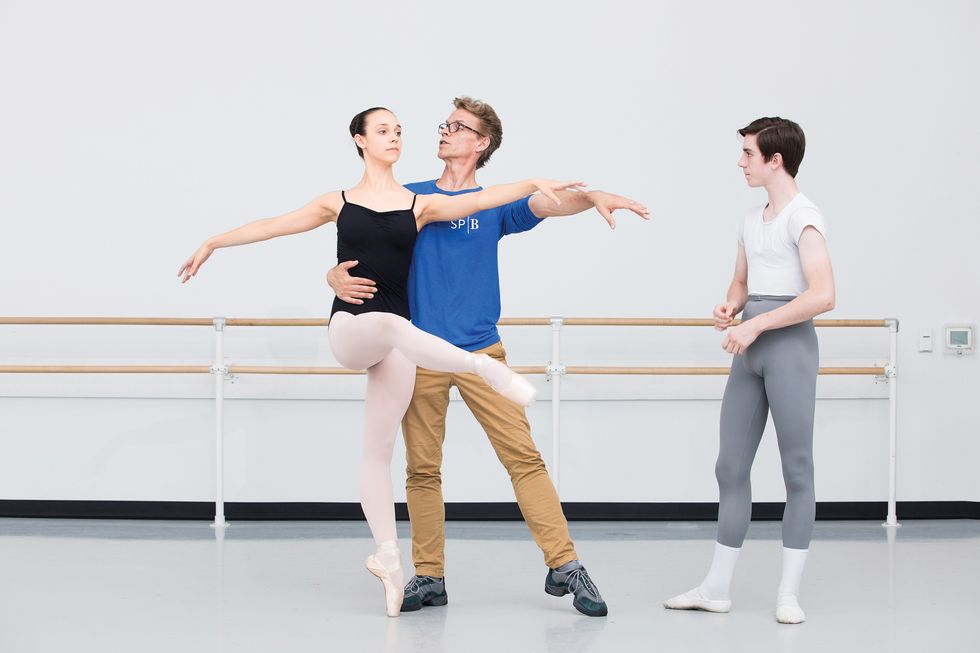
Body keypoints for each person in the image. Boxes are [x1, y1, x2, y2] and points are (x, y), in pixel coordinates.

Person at [178, 106, 583, 617]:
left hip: (439, 346)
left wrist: (557, 189)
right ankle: (429, 569)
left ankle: (517, 564)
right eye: (385, 131)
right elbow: (280, 226)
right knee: (411, 418)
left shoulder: (423, 203)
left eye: (400, 131)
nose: (400, 137)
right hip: (383, 336)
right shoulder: (366, 197)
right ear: (359, 140)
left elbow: (503, 200)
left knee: (445, 457)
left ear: (482, 143)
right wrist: (222, 244)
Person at [328, 96, 649, 617]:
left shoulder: (494, 202)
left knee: (524, 458)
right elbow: (358, 250)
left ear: (482, 144)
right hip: (420, 351)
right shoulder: (411, 198)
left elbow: (550, 202)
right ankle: (428, 577)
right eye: (444, 124)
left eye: (458, 127)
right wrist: (330, 275)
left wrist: (594, 198)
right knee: (422, 471)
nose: (445, 132)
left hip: (482, 348)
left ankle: (564, 564)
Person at [663, 117, 835, 624]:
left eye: (748, 154)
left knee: (796, 469)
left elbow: (823, 295)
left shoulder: (804, 217)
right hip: (750, 346)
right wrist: (731, 307)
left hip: (788, 348)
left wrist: (756, 327)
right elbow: (741, 282)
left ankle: (788, 594)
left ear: (774, 160)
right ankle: (716, 587)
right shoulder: (750, 219)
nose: (741, 162)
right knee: (730, 467)